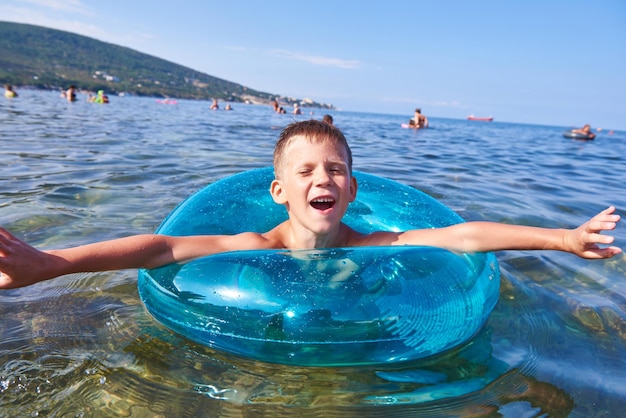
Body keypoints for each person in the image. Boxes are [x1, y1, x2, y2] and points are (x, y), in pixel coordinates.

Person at [0, 120, 621, 290]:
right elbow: (162, 247)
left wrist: (562, 239)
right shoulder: (256, 245)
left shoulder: (369, 245)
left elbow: (461, 236)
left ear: (351, 191)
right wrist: (51, 262)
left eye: (336, 171)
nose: (321, 178)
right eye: (305, 171)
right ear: (281, 192)